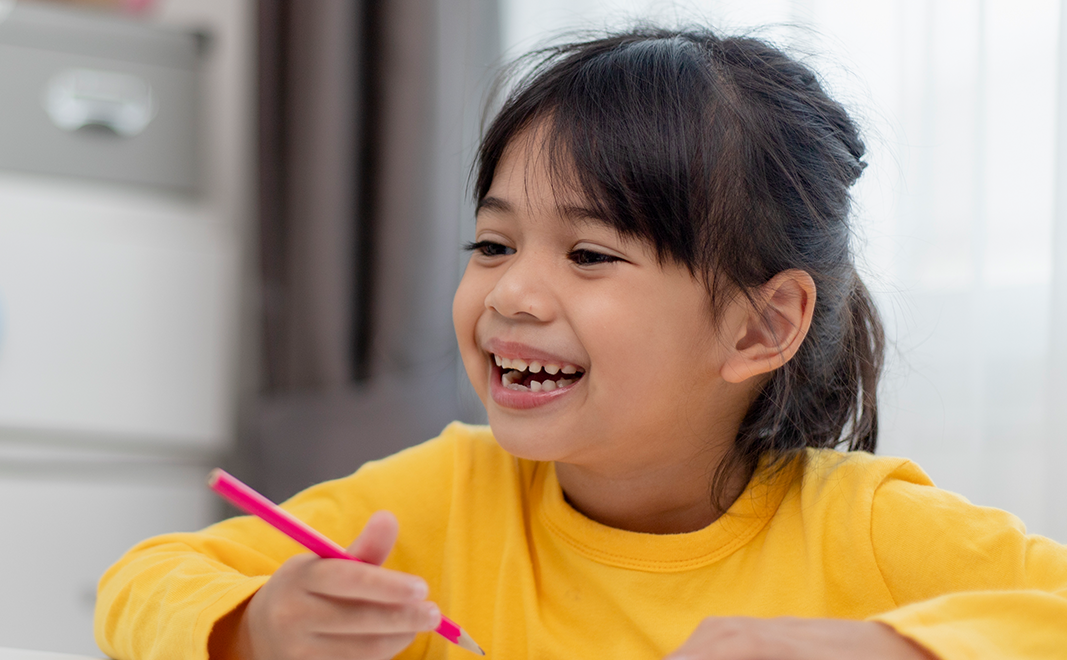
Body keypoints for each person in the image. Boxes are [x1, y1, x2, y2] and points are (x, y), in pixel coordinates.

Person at [94, 27, 1067, 660]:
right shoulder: (444, 495)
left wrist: (889, 650)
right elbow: (142, 582)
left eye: (591, 253)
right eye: (492, 243)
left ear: (762, 325)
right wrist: (254, 629)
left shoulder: (863, 526)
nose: (511, 291)